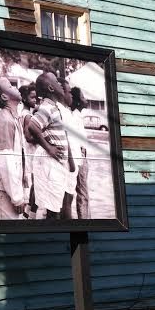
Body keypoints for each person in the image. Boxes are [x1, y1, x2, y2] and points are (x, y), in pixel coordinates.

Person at [28, 72, 73, 219]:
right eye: (57, 82)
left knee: (54, 207)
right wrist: (49, 148)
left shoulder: (53, 107)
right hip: (50, 163)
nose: (60, 84)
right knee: (53, 209)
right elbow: (33, 125)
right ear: (51, 88)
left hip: (56, 164)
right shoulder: (47, 107)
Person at [0, 76, 26, 219]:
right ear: (4, 96)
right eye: (10, 86)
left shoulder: (12, 117)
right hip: (2, 187)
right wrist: (16, 197)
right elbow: (6, 161)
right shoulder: (5, 120)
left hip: (7, 186)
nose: (15, 87)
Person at [57, 77, 80, 219]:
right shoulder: (60, 110)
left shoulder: (66, 111)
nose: (71, 95)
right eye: (69, 92)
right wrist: (71, 162)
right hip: (67, 163)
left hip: (73, 162)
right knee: (66, 201)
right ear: (62, 92)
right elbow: (64, 136)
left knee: (68, 199)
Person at [19, 83, 38, 219]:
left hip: (28, 152)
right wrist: (41, 136)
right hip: (31, 152)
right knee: (37, 184)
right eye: (32, 97)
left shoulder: (24, 113)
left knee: (35, 185)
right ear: (25, 99)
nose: (35, 100)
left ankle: (29, 210)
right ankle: (31, 214)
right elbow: (28, 137)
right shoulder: (27, 116)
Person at [71, 86, 90, 219]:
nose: (86, 99)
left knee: (83, 192)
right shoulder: (74, 116)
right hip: (79, 156)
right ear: (78, 101)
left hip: (82, 155)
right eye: (83, 97)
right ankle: (84, 221)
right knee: (83, 193)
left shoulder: (77, 115)